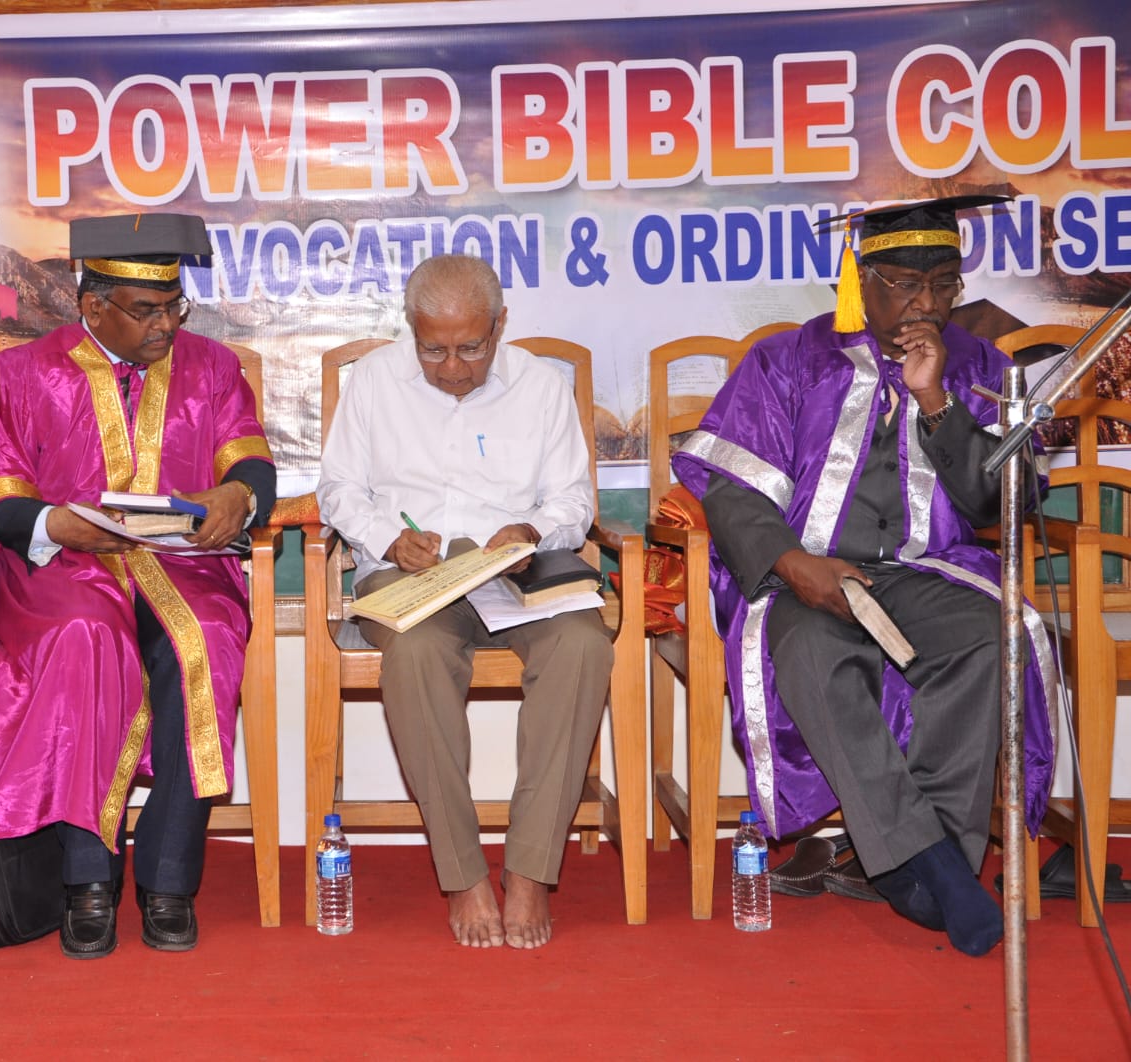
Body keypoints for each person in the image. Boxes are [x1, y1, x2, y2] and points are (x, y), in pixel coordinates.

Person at [672, 195, 1059, 957]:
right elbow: (729, 488)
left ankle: (928, 861)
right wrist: (793, 564)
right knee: (813, 655)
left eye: (943, 285)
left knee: (990, 637)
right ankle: (935, 869)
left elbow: (999, 505)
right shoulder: (787, 359)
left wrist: (936, 400)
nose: (926, 304)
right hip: (802, 574)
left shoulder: (982, 368)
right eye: (906, 285)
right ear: (858, 282)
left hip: (928, 572)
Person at [0, 213, 275, 959]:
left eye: (175, 307)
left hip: (181, 565)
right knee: (86, 639)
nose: (166, 325)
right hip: (63, 568)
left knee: (205, 639)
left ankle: (168, 882)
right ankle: (87, 879)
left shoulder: (213, 367)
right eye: (147, 310)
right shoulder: (20, 372)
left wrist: (238, 496)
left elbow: (250, 461)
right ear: (93, 306)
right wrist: (54, 523)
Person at [316, 254, 614, 949]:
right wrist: (388, 539)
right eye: (433, 350)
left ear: (500, 325)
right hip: (411, 574)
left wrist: (532, 531)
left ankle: (531, 869)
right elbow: (338, 490)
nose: (452, 368)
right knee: (418, 655)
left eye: (471, 349)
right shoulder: (374, 382)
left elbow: (574, 501)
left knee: (582, 644)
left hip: (517, 570)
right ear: (411, 329)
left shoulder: (540, 386)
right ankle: (463, 875)